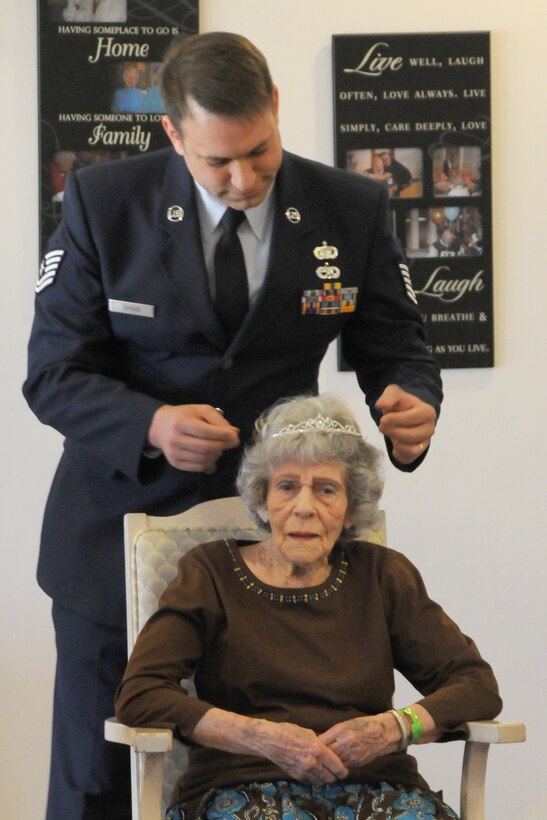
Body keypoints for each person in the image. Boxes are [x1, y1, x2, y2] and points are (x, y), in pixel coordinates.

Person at [24, 32, 442, 820]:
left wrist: (411, 403)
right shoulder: (100, 204)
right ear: (173, 133)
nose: (243, 178)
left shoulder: (350, 205)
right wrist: (151, 423)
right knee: (97, 772)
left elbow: (397, 348)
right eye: (218, 162)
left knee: (269, 765)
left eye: (258, 152)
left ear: (276, 109)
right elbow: (53, 374)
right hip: (111, 530)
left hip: (280, 542)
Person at [116, 393, 501, 819]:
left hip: (378, 789)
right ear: (262, 500)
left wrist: (393, 727)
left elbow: (476, 686)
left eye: (326, 489)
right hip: (240, 788)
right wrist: (260, 737)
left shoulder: (382, 575)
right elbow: (142, 694)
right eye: (286, 486)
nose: (304, 507)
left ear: (351, 509)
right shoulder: (209, 572)